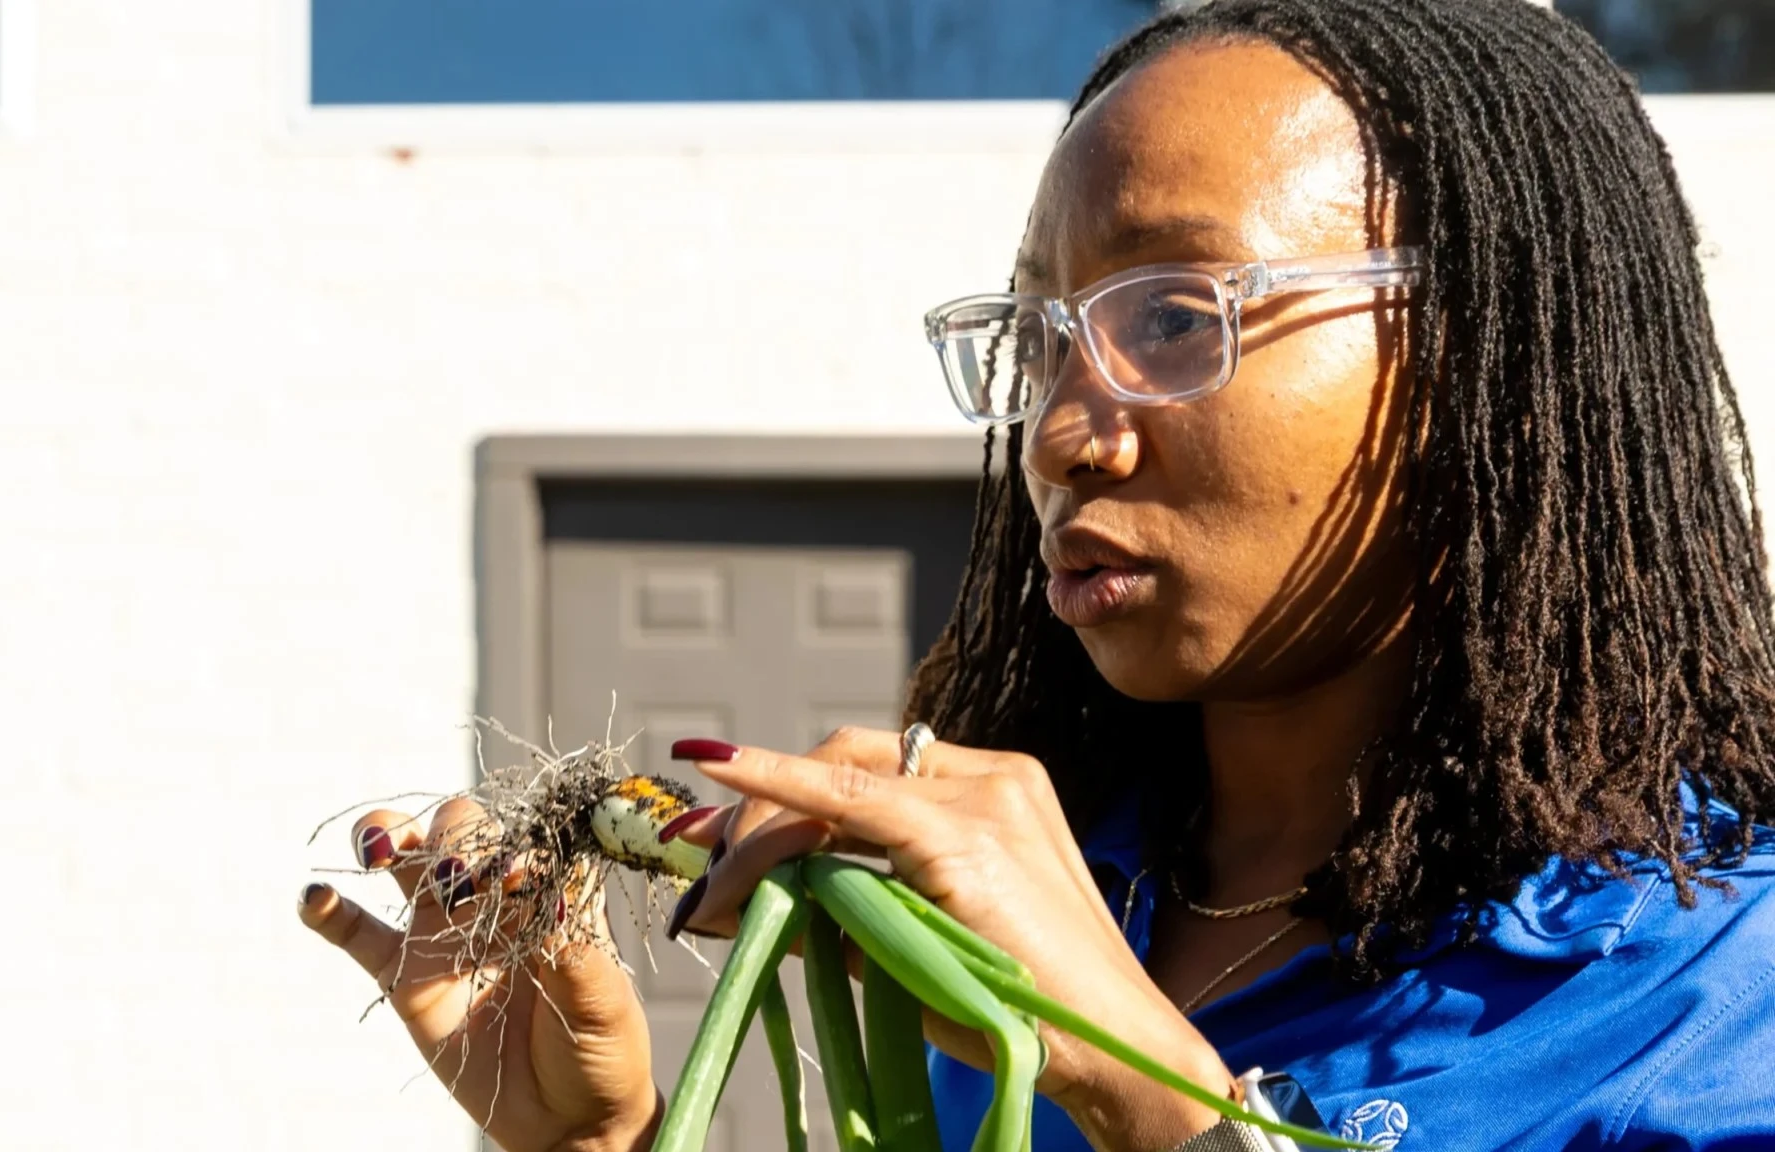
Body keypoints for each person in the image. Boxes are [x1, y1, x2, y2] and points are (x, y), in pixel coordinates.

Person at [296, 0, 1775, 1148]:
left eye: (1176, 316)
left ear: (1494, 356)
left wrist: (1157, 1100)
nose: (1063, 433)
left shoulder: (1723, 994)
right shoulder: (1012, 903)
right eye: (1041, 338)